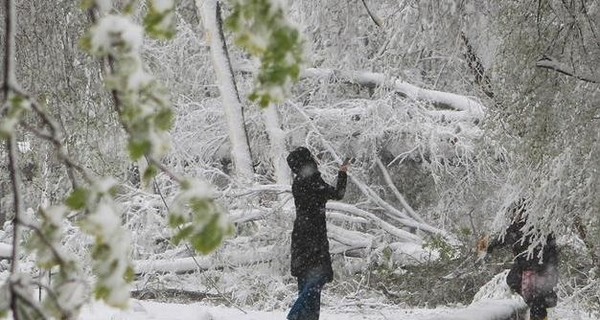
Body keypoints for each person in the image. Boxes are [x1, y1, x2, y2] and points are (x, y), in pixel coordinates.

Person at [286, 147, 349, 320]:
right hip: (314, 239)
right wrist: (342, 174)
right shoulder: (313, 182)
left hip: (301, 238)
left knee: (307, 283)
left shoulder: (299, 182)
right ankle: (294, 316)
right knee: (315, 282)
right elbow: (338, 193)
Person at [483, 200, 559, 320]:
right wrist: (490, 248)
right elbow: (502, 239)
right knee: (519, 287)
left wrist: (550, 269)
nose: (515, 216)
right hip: (525, 270)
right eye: (514, 213)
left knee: (537, 302)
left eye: (518, 212)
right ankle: (538, 310)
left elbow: (552, 249)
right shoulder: (515, 228)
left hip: (540, 270)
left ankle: (539, 313)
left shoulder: (538, 227)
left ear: (525, 212)